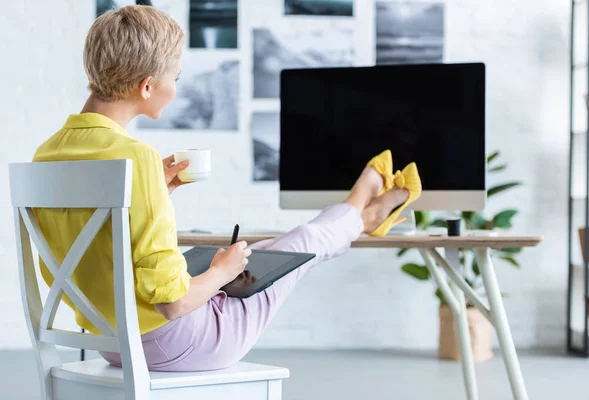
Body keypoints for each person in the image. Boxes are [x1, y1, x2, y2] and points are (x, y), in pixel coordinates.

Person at [32, 5, 421, 372]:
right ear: (147, 86)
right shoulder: (138, 158)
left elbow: (93, 248)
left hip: (109, 341)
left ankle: (358, 213)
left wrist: (156, 192)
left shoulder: (47, 154)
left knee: (268, 251)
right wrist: (220, 274)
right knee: (299, 245)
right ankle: (364, 211)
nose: (177, 88)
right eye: (176, 78)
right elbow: (173, 303)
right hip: (176, 343)